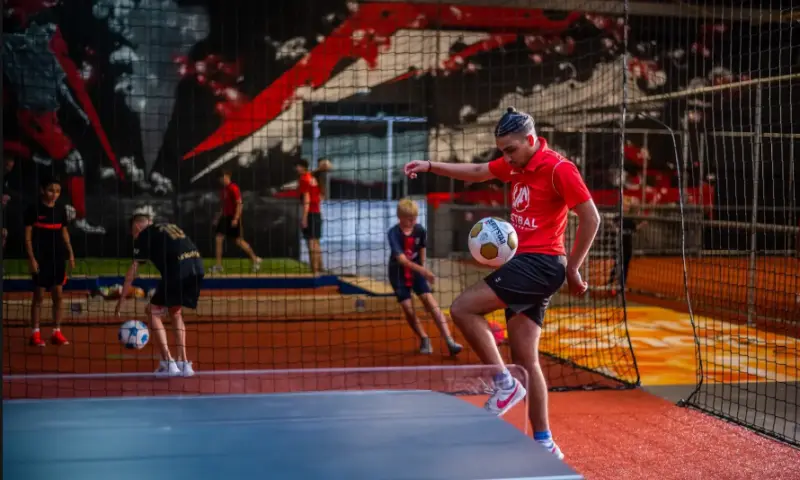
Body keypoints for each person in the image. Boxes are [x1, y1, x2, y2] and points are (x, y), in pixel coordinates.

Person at [403, 107, 600, 460]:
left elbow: (590, 216)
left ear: (530, 140)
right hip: (525, 263)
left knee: (462, 308)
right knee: (527, 360)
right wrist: (431, 165)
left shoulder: (558, 168)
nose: (505, 157)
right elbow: (479, 172)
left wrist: (573, 268)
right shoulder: (515, 164)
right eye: (502, 151)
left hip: (540, 263)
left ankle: (504, 384)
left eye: (510, 149)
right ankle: (544, 442)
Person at [115, 215, 204, 377]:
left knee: (152, 311)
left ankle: (168, 363)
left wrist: (121, 300)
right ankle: (184, 364)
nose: (134, 237)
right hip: (197, 268)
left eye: (133, 233)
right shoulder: (168, 227)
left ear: (136, 227)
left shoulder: (144, 234)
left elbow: (132, 271)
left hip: (177, 270)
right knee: (175, 311)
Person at [388, 198, 463, 356]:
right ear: (400, 217)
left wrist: (423, 267)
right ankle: (424, 338)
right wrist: (423, 271)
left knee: (430, 302)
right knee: (408, 309)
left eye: (415, 218)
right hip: (398, 274)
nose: (413, 221)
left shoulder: (420, 230)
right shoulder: (393, 233)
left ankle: (449, 340)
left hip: (416, 271)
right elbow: (401, 260)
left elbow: (422, 248)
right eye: (410, 219)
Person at [24, 175, 75, 347]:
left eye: (58, 191)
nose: (54, 194)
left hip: (58, 257)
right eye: (51, 190)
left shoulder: (60, 210)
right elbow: (27, 236)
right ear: (42, 190)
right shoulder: (34, 209)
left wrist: (71, 253)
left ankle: (56, 332)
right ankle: (35, 333)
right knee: (38, 296)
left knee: (58, 296)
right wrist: (31, 258)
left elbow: (64, 232)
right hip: (40, 257)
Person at [211, 170, 262, 274]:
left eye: (223, 177)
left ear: (228, 176)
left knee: (238, 241)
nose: (221, 180)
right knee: (218, 239)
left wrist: (236, 218)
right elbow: (223, 206)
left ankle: (255, 259)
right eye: (220, 178)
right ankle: (219, 265)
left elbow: (239, 204)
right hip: (224, 218)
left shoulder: (234, 188)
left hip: (233, 217)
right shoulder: (223, 190)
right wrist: (218, 217)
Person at [296, 159, 323, 274]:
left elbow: (307, 199)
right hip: (317, 213)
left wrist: (304, 217)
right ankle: (320, 269)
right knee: (316, 243)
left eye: (297, 166)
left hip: (310, 213)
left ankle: (314, 271)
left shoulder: (303, 179)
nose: (296, 168)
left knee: (311, 244)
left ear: (302, 167)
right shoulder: (313, 178)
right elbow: (320, 197)